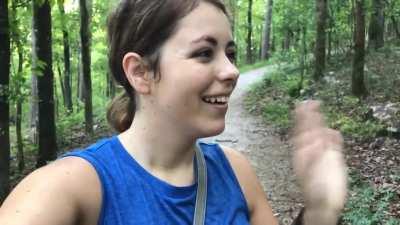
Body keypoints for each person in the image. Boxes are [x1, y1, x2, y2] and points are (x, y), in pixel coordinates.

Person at [0, 0, 347, 224]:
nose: (231, 71)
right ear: (140, 73)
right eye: (204, 54)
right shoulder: (70, 187)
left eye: (230, 53)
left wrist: (320, 208)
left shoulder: (235, 172)